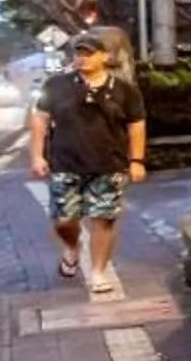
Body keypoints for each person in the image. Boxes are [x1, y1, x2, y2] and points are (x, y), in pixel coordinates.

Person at [29, 30, 145, 295]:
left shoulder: (124, 90)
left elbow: (136, 125)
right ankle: (72, 246)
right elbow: (40, 119)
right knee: (64, 220)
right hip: (65, 162)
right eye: (78, 53)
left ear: (104, 57)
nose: (82, 58)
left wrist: (137, 160)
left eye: (89, 54)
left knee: (103, 219)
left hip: (109, 164)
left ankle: (98, 272)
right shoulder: (56, 85)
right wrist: (37, 155)